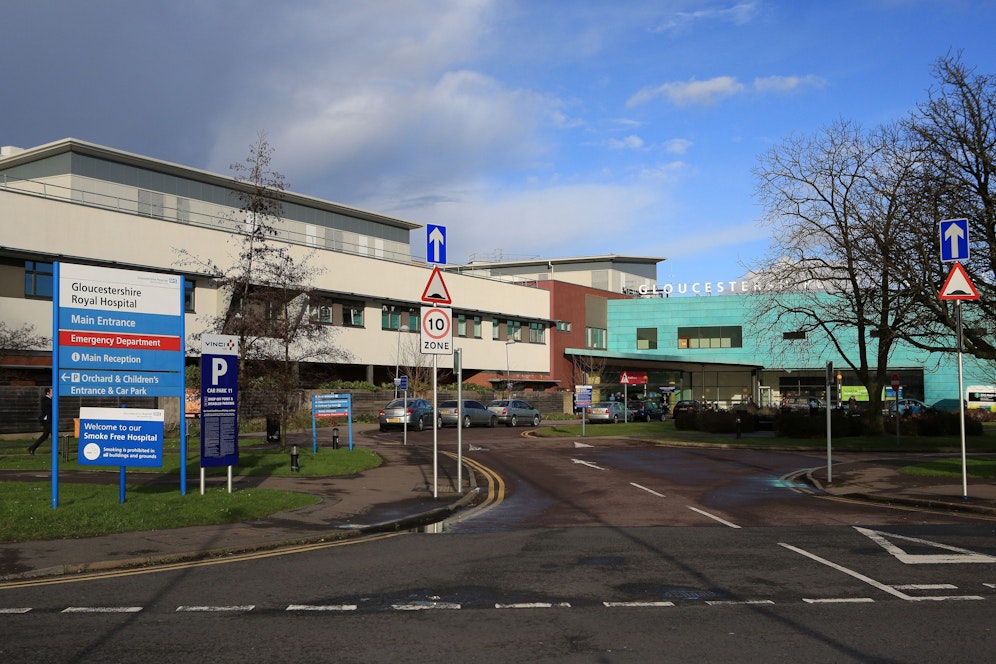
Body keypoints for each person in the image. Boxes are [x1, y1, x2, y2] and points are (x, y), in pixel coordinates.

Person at [28, 387, 53, 455]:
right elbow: (50, 407)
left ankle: (32, 448)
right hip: (47, 421)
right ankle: (32, 448)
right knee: (51, 435)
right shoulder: (46, 400)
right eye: (52, 392)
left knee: (45, 435)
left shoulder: (50, 400)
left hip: (50, 420)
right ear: (48, 393)